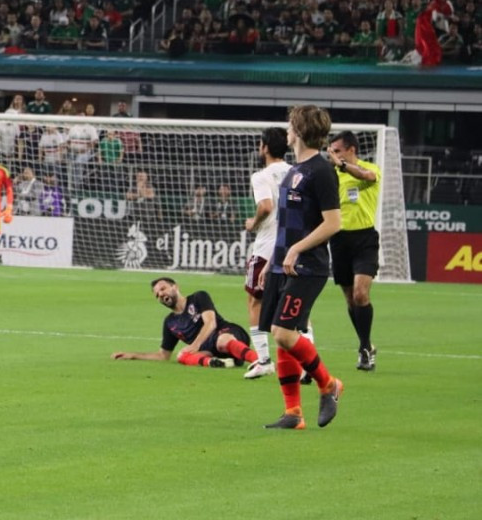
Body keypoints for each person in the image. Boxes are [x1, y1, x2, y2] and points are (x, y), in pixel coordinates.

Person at [259, 105, 344, 430]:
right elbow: (286, 223)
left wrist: (296, 249)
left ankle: (328, 384)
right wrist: (273, 260)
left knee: (284, 332)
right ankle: (293, 413)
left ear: (299, 129)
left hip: (308, 267)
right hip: (283, 264)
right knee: (282, 335)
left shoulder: (321, 172)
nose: (287, 129)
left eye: (290, 124)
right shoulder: (295, 170)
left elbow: (333, 223)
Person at [242, 127, 299, 380]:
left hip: (266, 247)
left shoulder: (261, 176)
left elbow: (266, 206)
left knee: (255, 300)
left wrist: (254, 222)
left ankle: (264, 360)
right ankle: (305, 366)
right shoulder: (296, 173)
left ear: (264, 147)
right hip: (294, 247)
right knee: (295, 304)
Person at [111, 277, 262, 369]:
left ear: (175, 287)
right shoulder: (170, 323)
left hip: (229, 333)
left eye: (163, 289)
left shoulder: (198, 297)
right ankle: (219, 363)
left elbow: (211, 323)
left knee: (222, 341)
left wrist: (195, 345)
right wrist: (133, 355)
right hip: (210, 350)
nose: (161, 294)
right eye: (157, 295)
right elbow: (163, 356)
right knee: (181, 356)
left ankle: (260, 361)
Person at [326, 130, 381, 371]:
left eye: (337, 151)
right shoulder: (332, 175)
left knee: (360, 294)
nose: (334, 156)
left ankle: (364, 348)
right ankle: (367, 345)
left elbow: (368, 177)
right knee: (350, 298)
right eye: (332, 152)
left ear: (351, 150)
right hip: (339, 240)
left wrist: (343, 166)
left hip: (365, 238)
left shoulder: (370, 168)